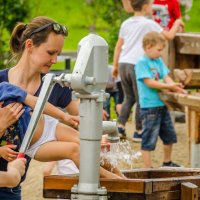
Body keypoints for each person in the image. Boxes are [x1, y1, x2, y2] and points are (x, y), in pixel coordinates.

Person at [0, 16, 125, 200]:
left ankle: (125, 181)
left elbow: (81, 117)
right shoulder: (3, 83)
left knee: (87, 147)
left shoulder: (53, 84)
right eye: (50, 52)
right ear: (29, 45)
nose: (55, 60)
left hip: (13, 187)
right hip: (7, 176)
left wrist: (98, 132)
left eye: (58, 53)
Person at [112, 0, 184, 141]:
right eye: (151, 5)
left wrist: (115, 65)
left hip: (123, 63)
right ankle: (139, 130)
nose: (153, 8)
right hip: (136, 64)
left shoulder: (126, 23)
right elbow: (168, 36)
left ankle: (120, 126)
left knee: (129, 98)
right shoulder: (149, 23)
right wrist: (177, 24)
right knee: (140, 99)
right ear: (145, 7)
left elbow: (119, 45)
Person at [135, 31, 187, 168]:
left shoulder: (158, 61)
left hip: (162, 105)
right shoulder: (142, 63)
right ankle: (148, 168)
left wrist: (174, 86)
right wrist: (169, 85)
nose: (160, 53)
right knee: (149, 139)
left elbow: (166, 76)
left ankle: (167, 162)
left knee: (169, 136)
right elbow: (150, 82)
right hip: (149, 107)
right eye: (159, 50)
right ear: (148, 47)